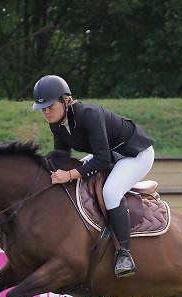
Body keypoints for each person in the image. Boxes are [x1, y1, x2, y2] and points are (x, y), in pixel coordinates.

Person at [31, 74, 155, 278]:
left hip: (136, 154)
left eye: (50, 106)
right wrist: (39, 166)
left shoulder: (89, 114)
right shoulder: (56, 124)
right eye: (42, 108)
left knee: (111, 193)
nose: (46, 111)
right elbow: (62, 155)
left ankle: (124, 254)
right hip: (110, 154)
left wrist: (70, 174)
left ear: (67, 100)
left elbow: (103, 159)